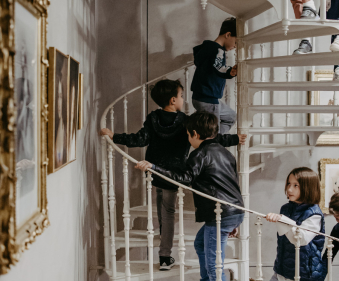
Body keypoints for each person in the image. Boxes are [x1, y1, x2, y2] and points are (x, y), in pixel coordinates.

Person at [99, 80, 246, 271]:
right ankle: (165, 256)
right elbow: (210, 137)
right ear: (173, 100)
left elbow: (138, 139)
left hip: (156, 172)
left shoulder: (152, 119)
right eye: (182, 96)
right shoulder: (185, 121)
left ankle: (165, 257)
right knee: (170, 212)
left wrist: (114, 136)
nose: (183, 100)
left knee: (163, 212)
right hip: (177, 173)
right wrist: (234, 139)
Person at [134, 111, 244, 281]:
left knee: (214, 265)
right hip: (233, 210)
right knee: (200, 244)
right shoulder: (225, 152)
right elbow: (232, 184)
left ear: (195, 134)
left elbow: (183, 179)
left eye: (187, 135)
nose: (187, 139)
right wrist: (233, 218)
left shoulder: (200, 154)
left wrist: (154, 168)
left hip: (220, 214)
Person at [265, 167, 327, 281]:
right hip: (282, 270)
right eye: (289, 184)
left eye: (295, 185)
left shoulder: (314, 214)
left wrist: (282, 220)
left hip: (304, 274)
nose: (289, 189)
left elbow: (300, 239)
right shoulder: (285, 209)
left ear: (308, 188)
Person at [191, 17, 238, 134]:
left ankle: (214, 140)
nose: (235, 46)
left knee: (231, 117)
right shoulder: (218, 50)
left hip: (201, 98)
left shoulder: (207, 48)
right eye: (236, 42)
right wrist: (229, 71)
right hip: (208, 100)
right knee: (212, 132)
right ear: (228, 34)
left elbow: (213, 66)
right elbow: (218, 66)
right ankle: (213, 143)